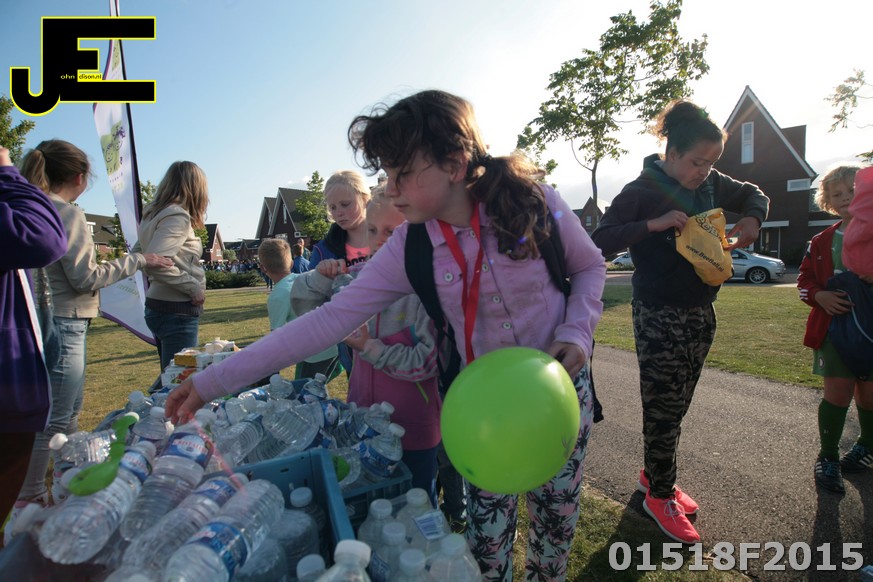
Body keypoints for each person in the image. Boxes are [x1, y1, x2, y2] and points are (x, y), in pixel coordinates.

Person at [166, 89, 606, 581]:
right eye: (387, 174)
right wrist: (211, 382)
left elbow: (589, 267)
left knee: (554, 532)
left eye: (402, 174)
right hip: (482, 413)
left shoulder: (533, 200)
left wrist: (577, 330)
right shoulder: (410, 246)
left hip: (560, 397)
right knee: (486, 547)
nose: (390, 189)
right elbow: (328, 321)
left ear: (455, 163)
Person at [591, 99, 769, 544]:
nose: (704, 172)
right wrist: (651, 224)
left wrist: (752, 217)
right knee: (664, 408)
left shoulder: (710, 183)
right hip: (658, 313)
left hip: (702, 309)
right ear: (671, 153)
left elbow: (754, 193)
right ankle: (659, 496)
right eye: (696, 162)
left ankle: (653, 475)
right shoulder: (640, 190)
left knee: (679, 403)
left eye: (711, 163)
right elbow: (600, 240)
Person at [11, 140, 171, 518]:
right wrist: (138, 261)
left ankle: (62, 480)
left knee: (64, 412)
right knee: (56, 417)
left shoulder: (28, 208)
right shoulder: (66, 214)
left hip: (38, 322)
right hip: (65, 322)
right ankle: (30, 498)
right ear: (80, 178)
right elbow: (85, 277)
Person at [292, 187, 442, 502]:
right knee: (372, 504)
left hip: (413, 431)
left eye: (392, 231)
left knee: (416, 506)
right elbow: (302, 308)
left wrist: (370, 348)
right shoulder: (359, 281)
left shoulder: (425, 289)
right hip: (362, 425)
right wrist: (320, 278)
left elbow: (427, 361)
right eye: (372, 230)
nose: (380, 240)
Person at [0, 146, 67, 539]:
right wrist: (6, 173)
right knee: (58, 419)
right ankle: (33, 493)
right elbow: (44, 240)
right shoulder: (53, 211)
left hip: (28, 348)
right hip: (12, 377)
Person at [797, 162, 873, 493]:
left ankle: (866, 447)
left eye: (853, 190)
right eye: (837, 193)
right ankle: (828, 456)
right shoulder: (821, 241)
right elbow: (804, 281)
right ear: (828, 201)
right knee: (838, 393)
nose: (845, 197)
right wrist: (820, 296)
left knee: (869, 395)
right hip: (834, 330)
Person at [133, 161, 209, 376]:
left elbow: (139, 254)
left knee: (171, 374)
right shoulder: (177, 216)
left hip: (160, 304)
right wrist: (193, 287)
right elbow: (154, 262)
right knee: (178, 379)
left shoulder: (153, 214)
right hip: (176, 310)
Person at [308, 170, 372, 376]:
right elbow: (310, 300)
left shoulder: (388, 234)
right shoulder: (323, 250)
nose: (339, 213)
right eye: (333, 207)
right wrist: (320, 277)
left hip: (398, 336)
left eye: (345, 204)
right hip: (352, 347)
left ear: (365, 199)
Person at [257, 237, 340, 381]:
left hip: (315, 353)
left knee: (305, 391)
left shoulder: (277, 296)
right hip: (335, 345)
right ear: (291, 263)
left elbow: (276, 338)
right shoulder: (305, 280)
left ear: (263, 268)